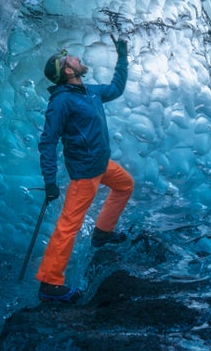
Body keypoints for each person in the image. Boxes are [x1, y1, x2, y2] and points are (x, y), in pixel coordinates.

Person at [35, 36, 134, 303]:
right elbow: (47, 141)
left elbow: (116, 89)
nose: (77, 58)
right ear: (68, 71)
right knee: (68, 226)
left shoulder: (89, 91)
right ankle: (49, 282)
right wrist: (50, 181)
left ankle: (102, 233)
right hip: (85, 175)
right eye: (72, 59)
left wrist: (122, 57)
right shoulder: (61, 102)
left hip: (101, 165)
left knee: (125, 185)